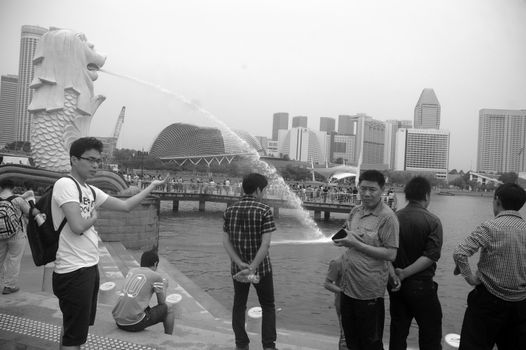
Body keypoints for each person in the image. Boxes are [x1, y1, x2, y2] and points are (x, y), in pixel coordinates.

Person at [51, 137, 168, 350]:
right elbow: (77, 226)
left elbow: (126, 207)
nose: (96, 165)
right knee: (74, 336)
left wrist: (151, 186)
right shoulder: (65, 184)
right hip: (73, 270)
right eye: (91, 160)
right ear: (74, 160)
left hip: (87, 268)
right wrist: (95, 217)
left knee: (74, 329)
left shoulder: (90, 190)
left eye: (99, 161)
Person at [453, 183, 526, 350]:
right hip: (521, 305)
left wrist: (470, 277)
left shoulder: (490, 227)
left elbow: (460, 253)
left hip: (487, 302)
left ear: (497, 201)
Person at [333, 170, 399, 350]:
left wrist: (356, 243)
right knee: (351, 340)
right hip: (346, 288)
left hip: (369, 292)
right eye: (363, 189)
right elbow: (350, 236)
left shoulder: (388, 218)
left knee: (371, 343)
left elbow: (391, 254)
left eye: (372, 189)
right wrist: (344, 241)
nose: (367, 194)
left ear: (382, 190)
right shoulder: (355, 211)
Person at [223, 173, 278, 350]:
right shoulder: (264, 210)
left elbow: (225, 241)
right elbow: (266, 243)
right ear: (257, 190)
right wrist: (252, 267)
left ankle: (241, 344)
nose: (264, 193)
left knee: (239, 305)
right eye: (264, 190)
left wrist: (240, 264)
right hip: (261, 269)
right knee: (268, 305)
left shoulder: (229, 210)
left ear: (243, 188)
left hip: (238, 270)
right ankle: (268, 346)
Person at [389, 176, 443, 350]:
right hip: (422, 286)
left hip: (396, 285)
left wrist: (396, 275)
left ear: (407, 195)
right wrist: (405, 273)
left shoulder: (393, 218)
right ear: (427, 196)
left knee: (398, 332)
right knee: (430, 333)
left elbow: (385, 253)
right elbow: (431, 256)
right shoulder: (433, 221)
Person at [112, 249, 175, 335]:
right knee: (169, 307)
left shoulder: (132, 271)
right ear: (155, 263)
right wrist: (164, 286)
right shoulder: (156, 276)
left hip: (118, 321)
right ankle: (168, 337)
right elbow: (161, 302)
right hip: (134, 323)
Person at [0, 179, 38, 294]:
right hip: (17, 234)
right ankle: (9, 286)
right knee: (14, 259)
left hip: (0, 235)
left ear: (1, 187)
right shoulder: (18, 199)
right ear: (13, 188)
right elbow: (29, 213)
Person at [324, 254, 349, 350]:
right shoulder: (338, 262)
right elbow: (327, 284)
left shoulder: (364, 262)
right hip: (343, 304)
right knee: (345, 337)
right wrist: (343, 291)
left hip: (360, 304)